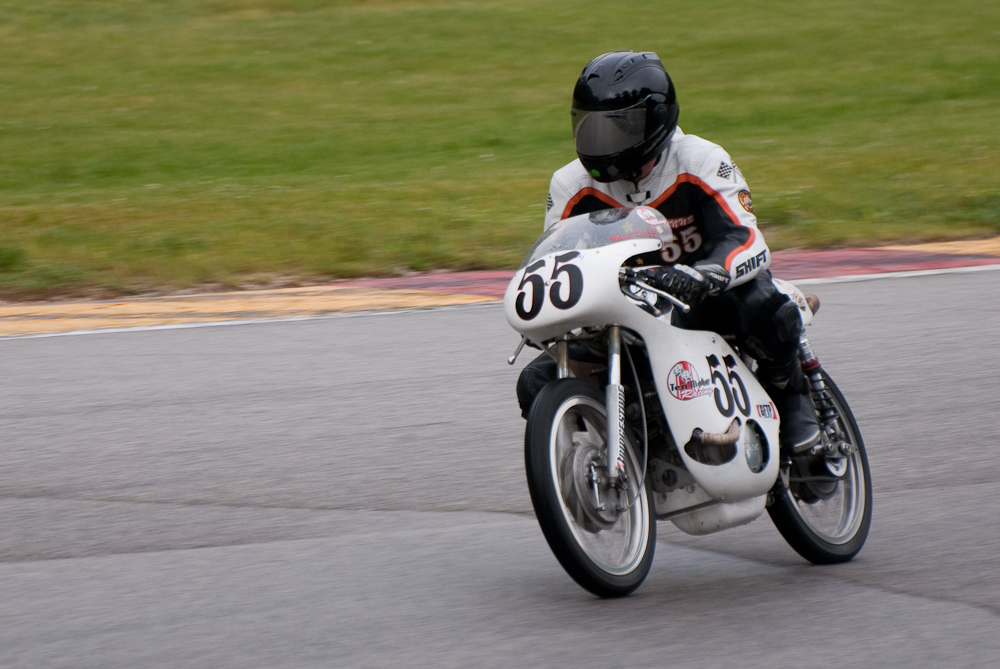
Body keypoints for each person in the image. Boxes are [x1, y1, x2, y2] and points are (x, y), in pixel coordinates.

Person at [516, 50, 821, 454]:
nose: (603, 143)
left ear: (656, 119)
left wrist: (707, 274)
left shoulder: (701, 159)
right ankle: (606, 448)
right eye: (592, 127)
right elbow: (556, 261)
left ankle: (791, 393)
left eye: (619, 128)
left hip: (709, 296)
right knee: (536, 380)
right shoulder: (569, 185)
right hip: (629, 315)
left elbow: (748, 239)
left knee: (761, 301)